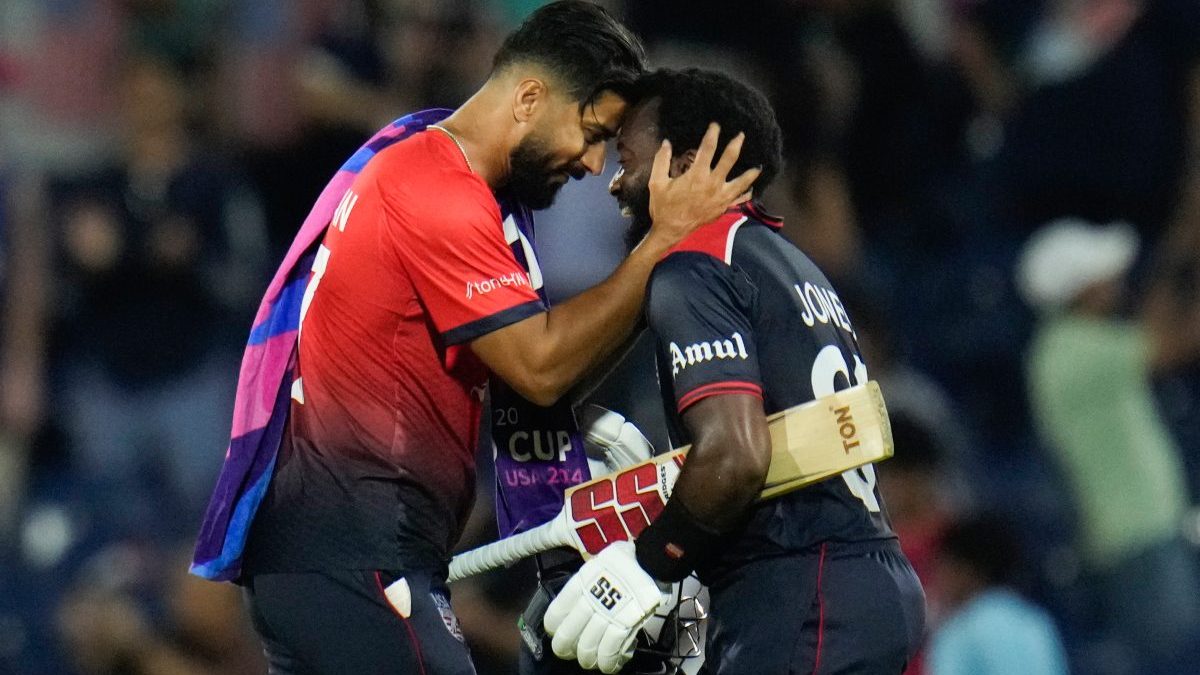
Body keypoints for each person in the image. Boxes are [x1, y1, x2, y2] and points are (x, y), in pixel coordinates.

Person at [190, 3, 761, 673]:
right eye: (590, 131)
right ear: (528, 97)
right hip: (357, 556)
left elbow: (543, 369)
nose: (594, 163)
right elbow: (541, 365)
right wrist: (666, 240)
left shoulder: (434, 178)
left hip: (341, 560)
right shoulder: (434, 188)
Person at [544, 68, 926, 674]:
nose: (617, 182)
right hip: (860, 578)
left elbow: (736, 452)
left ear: (687, 163)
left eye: (629, 158)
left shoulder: (693, 267)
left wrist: (650, 563)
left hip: (800, 588)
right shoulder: (795, 264)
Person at [1019, 217, 1200, 674]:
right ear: (1082, 289)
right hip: (1133, 535)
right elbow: (1174, 344)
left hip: (1147, 530)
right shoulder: (1070, 349)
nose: (1117, 282)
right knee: (1173, 662)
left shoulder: (1077, 344)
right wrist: (1179, 261)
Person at [926, 515, 1069, 675]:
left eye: (943, 567)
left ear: (965, 570)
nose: (938, 578)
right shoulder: (1036, 622)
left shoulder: (958, 632)